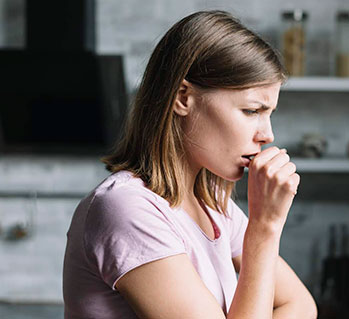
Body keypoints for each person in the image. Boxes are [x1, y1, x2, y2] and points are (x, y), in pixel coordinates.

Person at [62, 10, 317, 319]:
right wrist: (263, 229)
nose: (267, 134)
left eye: (269, 113)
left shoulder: (214, 205)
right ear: (183, 97)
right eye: (252, 111)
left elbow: (300, 305)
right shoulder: (127, 208)